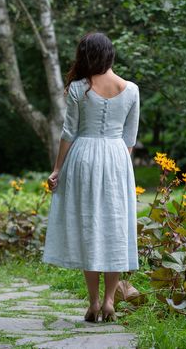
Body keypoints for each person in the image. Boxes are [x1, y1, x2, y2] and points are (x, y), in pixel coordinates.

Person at [42, 31, 140, 323]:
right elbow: (130, 138)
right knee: (114, 227)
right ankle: (111, 300)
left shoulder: (78, 88)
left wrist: (57, 169)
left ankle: (94, 302)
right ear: (110, 54)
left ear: (86, 55)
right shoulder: (131, 89)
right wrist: (118, 168)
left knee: (90, 228)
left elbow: (69, 132)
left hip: (83, 157)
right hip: (117, 158)